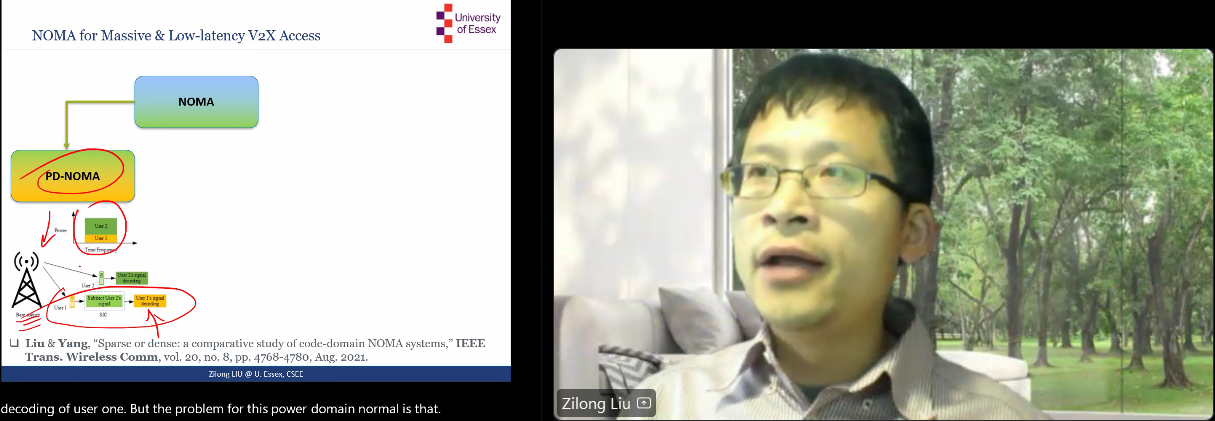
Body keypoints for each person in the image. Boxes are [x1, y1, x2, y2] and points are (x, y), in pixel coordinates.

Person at [621, 53, 1049, 420]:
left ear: (913, 231)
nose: (783, 206)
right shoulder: (663, 404)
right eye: (758, 172)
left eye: (835, 173)